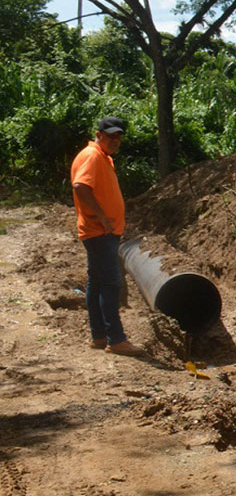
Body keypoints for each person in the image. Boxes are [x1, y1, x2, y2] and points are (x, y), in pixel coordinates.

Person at [70, 116, 142, 356]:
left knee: (97, 281)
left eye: (118, 136)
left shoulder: (100, 157)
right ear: (98, 134)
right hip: (100, 232)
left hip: (99, 232)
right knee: (111, 284)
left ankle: (99, 336)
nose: (115, 140)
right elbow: (80, 186)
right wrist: (101, 216)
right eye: (110, 135)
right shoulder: (92, 156)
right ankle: (116, 339)